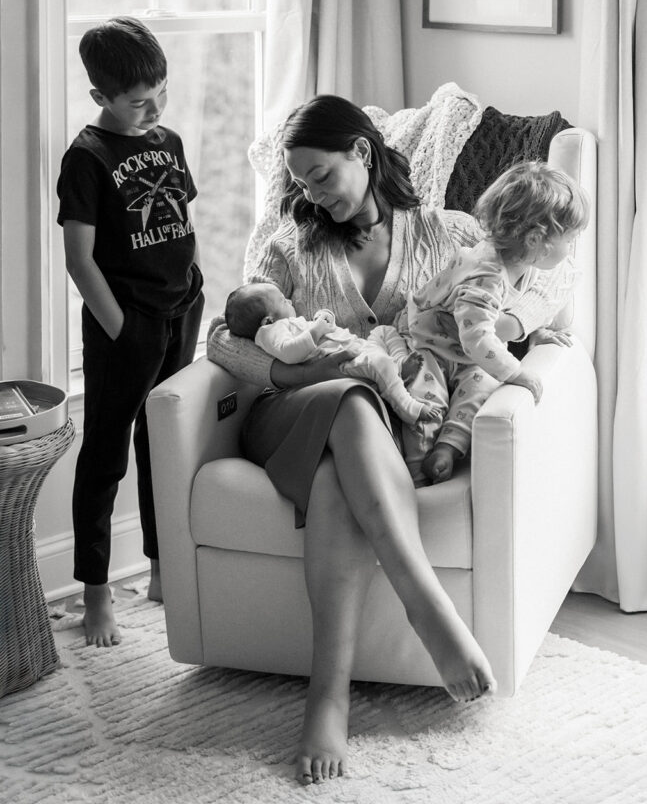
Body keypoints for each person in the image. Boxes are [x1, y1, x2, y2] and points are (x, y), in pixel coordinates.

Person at [207, 94, 576, 785]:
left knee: (333, 480)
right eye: (299, 182)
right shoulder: (288, 244)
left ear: (362, 153)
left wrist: (515, 332)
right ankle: (423, 601)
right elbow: (222, 341)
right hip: (293, 412)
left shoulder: (447, 232)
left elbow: (534, 284)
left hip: (381, 434)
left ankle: (328, 696)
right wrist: (307, 368)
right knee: (348, 396)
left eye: (320, 175)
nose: (309, 193)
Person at [56, 17, 204, 649]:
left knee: (162, 447)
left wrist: (194, 289)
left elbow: (178, 221)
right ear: (101, 99)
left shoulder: (166, 139)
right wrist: (122, 330)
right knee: (107, 451)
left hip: (182, 312)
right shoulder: (86, 159)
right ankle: (96, 595)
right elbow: (79, 260)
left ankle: (163, 570)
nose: (154, 108)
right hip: (128, 327)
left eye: (161, 92)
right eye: (139, 101)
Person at [390, 160, 589, 485]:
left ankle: (449, 448)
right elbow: (477, 338)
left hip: (465, 353)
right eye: (569, 239)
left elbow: (506, 312)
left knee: (480, 390)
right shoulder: (485, 275)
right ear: (536, 241)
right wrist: (516, 372)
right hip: (427, 345)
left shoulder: (525, 265)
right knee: (426, 398)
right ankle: (417, 473)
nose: (571, 249)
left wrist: (539, 331)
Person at [224, 281, 441, 426]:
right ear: (267, 320)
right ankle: (407, 407)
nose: (288, 301)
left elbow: (320, 333)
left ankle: (399, 366)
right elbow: (291, 353)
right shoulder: (270, 331)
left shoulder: (284, 323)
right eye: (282, 301)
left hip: (356, 347)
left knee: (384, 332)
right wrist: (316, 330)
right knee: (379, 363)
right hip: (340, 365)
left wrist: (323, 319)